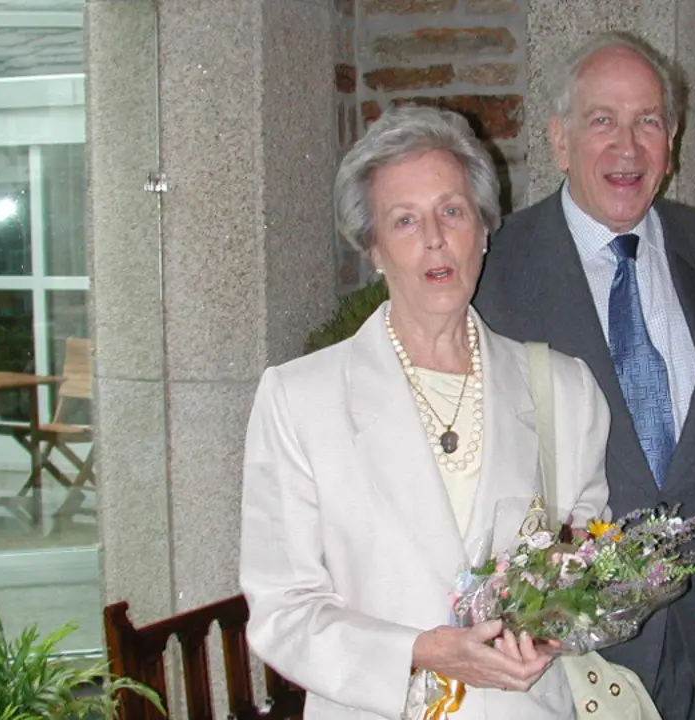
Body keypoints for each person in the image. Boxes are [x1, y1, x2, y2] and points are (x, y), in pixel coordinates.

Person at [474, 32, 695, 720]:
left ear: (674, 138)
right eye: (602, 120)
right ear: (559, 139)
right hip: (574, 662)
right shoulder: (495, 271)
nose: (627, 148)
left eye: (648, 121)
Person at [239, 106, 612, 720]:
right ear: (375, 248)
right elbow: (284, 613)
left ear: (484, 230)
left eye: (452, 211)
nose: (435, 238)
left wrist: (553, 622)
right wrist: (419, 652)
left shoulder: (565, 390)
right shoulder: (299, 399)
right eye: (405, 221)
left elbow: (584, 569)